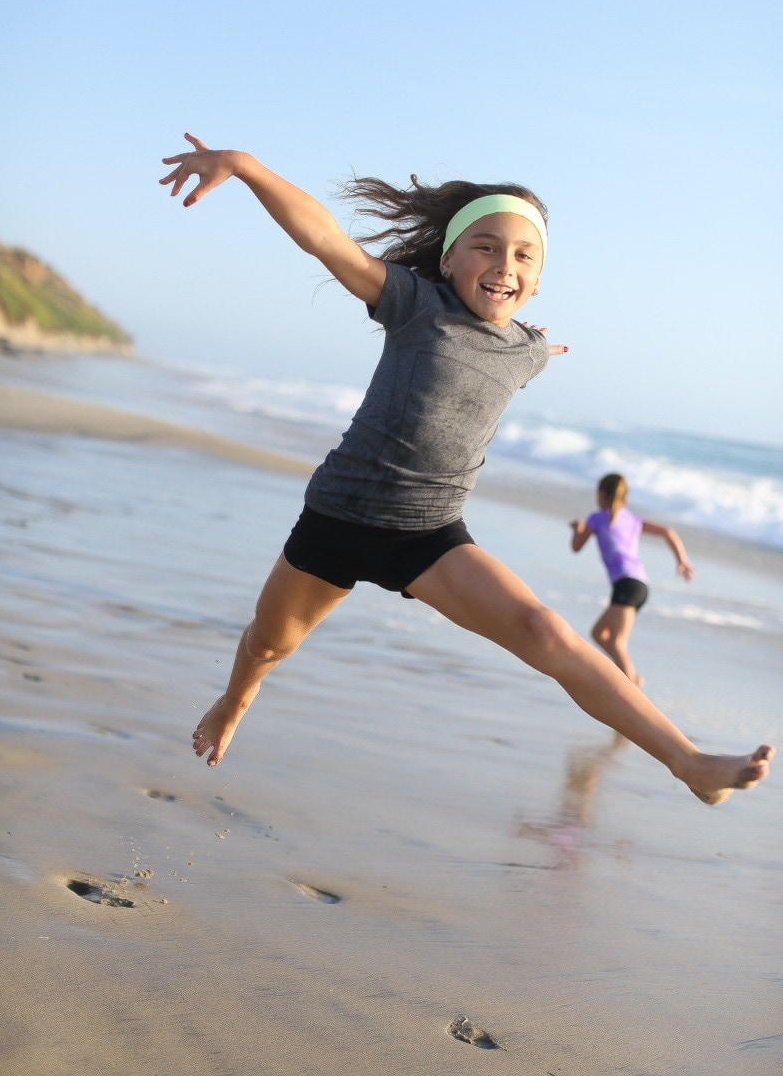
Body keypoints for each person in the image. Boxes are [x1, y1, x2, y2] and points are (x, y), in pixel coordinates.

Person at [159, 133, 773, 807]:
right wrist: (246, 168)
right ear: (450, 258)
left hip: (427, 534)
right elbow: (327, 241)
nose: (504, 264)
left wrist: (550, 349)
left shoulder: (527, 349)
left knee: (545, 630)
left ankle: (689, 762)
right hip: (338, 518)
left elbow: (534, 351)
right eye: (486, 246)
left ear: (538, 279)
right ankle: (235, 702)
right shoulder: (415, 306)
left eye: (523, 255)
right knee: (271, 644)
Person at [569, 473, 695, 687]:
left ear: (601, 494)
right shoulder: (632, 519)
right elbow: (668, 532)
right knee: (599, 633)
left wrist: (577, 530)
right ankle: (630, 677)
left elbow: (576, 547)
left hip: (627, 584)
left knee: (617, 642)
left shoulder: (597, 518)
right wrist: (682, 561)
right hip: (639, 586)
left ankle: (632, 689)